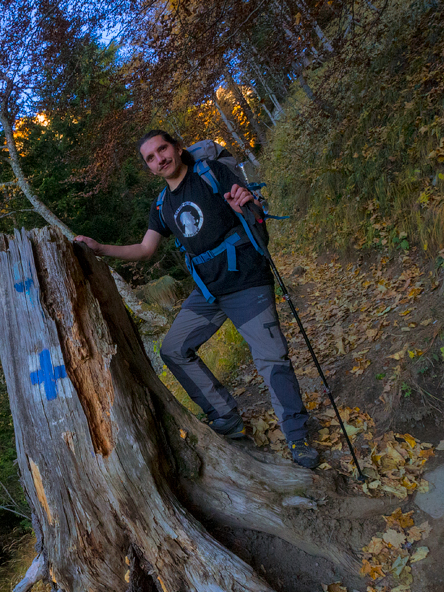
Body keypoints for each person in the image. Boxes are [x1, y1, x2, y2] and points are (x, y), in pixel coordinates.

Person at [74, 130, 319, 469]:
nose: (160, 158)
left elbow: (253, 215)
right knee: (173, 349)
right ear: (148, 167)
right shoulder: (162, 205)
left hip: (247, 283)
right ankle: (226, 418)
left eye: (163, 149)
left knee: (272, 361)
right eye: (150, 157)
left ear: (176, 147)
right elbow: (145, 249)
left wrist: (246, 206)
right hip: (209, 292)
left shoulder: (210, 174)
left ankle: (298, 437)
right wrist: (102, 248)